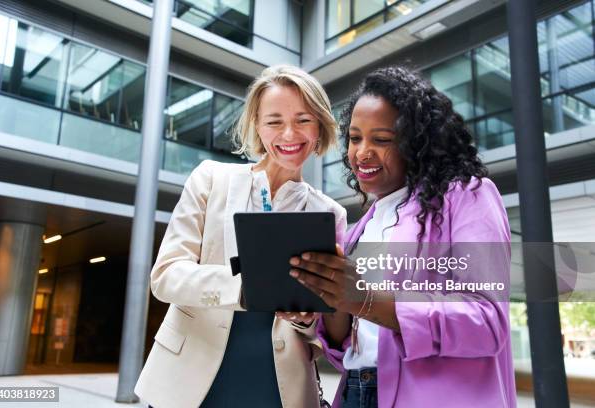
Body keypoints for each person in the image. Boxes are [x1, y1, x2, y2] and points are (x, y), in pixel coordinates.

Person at [289, 66, 516, 407]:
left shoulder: (468, 195)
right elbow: (347, 337)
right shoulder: (361, 227)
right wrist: (327, 294)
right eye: (354, 138)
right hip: (355, 391)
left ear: (417, 143)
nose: (362, 152)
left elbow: (487, 320)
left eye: (381, 140)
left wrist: (366, 299)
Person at [135, 65, 347, 408]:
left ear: (320, 125)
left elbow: (324, 325)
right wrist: (246, 288)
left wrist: (307, 317)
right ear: (257, 126)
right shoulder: (210, 179)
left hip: (278, 386)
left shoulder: (331, 213)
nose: (289, 134)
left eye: (303, 119)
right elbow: (166, 275)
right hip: (189, 379)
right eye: (274, 121)